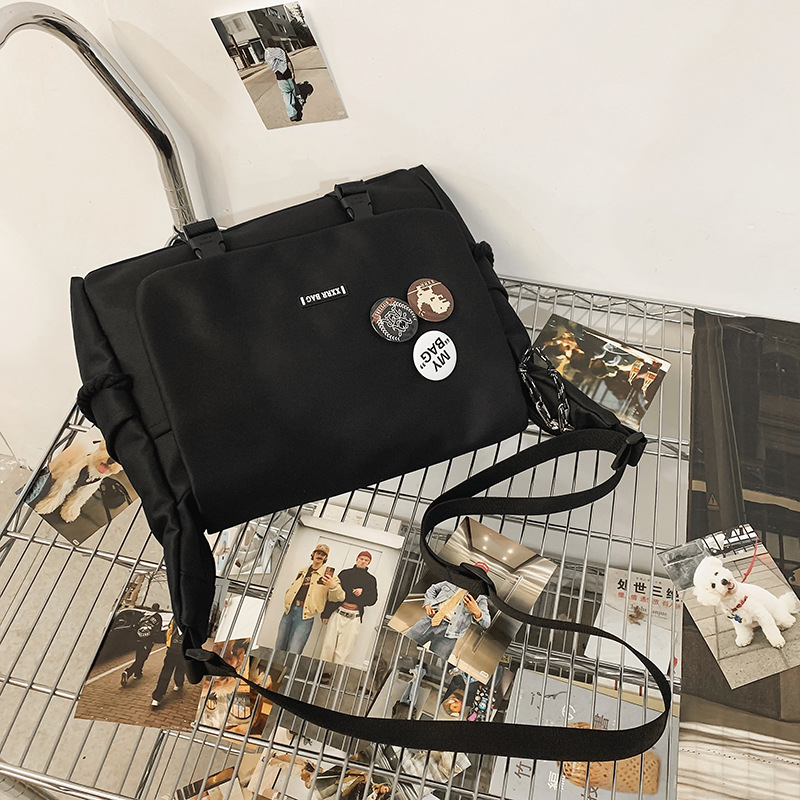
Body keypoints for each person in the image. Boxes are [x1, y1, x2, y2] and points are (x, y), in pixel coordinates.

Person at [404, 563, 491, 661]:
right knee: (404, 644)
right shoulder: (452, 582)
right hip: (430, 620)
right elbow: (432, 589)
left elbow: (487, 623)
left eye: (478, 576)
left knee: (434, 661)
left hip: (449, 634)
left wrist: (477, 611)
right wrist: (428, 604)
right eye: (472, 573)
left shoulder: (481, 597)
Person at [276, 544, 344, 654]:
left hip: (305, 616)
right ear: (313, 554)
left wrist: (333, 586)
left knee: (294, 650)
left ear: (326, 558)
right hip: (289, 611)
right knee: (279, 646)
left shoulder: (330, 576)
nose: (320, 556)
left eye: (323, 555)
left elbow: (340, 597)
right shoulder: (303, 571)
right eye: (318, 553)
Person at [319, 551, 379, 665]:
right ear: (357, 559)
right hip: (338, 613)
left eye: (366, 560)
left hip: (354, 617)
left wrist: (363, 593)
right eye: (361, 559)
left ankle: (332, 672)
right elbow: (333, 593)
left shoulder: (371, 580)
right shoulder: (345, 574)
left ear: (369, 563)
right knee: (328, 646)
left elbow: (372, 600)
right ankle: (320, 670)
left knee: (343, 651)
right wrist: (325, 613)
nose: (363, 561)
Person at [120, 603, 162, 686]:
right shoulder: (157, 617)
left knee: (139, 656)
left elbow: (136, 626)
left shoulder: (144, 615)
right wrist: (154, 639)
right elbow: (157, 630)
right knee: (142, 658)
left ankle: (138, 673)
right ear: (158, 609)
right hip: (147, 641)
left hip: (138, 640)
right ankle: (128, 672)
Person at [263, 38, 303, 122]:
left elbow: (270, 65)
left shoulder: (267, 53)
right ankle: (299, 102)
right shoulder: (281, 51)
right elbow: (288, 62)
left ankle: (292, 114)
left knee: (286, 94)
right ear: (275, 43)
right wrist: (293, 72)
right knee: (293, 90)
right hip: (288, 74)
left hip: (280, 77)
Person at [150, 617, 185, 708]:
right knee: (179, 668)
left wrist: (168, 644)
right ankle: (178, 683)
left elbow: (169, 631)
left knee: (168, 671)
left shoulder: (176, 617)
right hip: (182, 650)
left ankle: (157, 697)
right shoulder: (192, 619)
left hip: (174, 649)